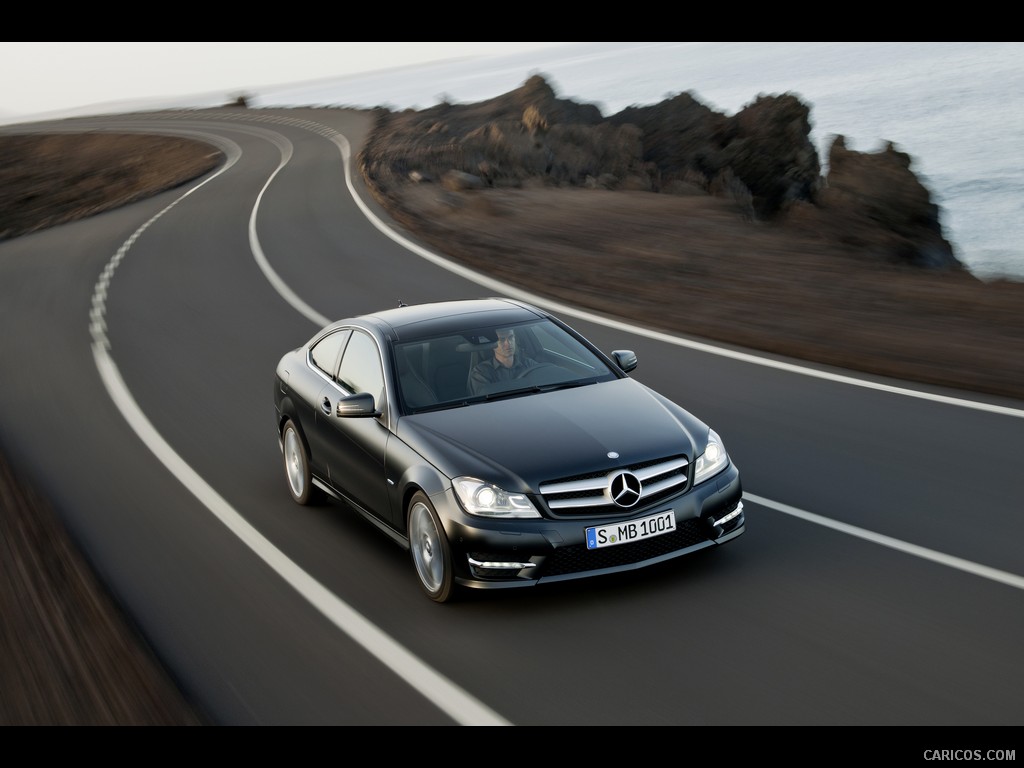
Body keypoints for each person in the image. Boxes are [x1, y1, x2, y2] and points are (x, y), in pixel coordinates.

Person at [469, 328, 538, 394]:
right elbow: (483, 402)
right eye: (502, 339)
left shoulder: (529, 364)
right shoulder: (481, 372)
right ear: (492, 344)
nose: (508, 343)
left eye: (511, 337)